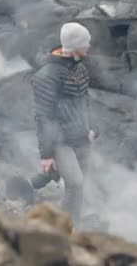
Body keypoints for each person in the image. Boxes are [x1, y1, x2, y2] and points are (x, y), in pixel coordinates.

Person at [30, 22, 99, 224]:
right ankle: (68, 228)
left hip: (82, 136)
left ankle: (69, 218)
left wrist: (93, 127)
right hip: (61, 140)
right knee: (76, 183)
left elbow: (86, 101)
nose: (89, 46)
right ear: (75, 46)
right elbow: (43, 116)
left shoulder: (80, 69)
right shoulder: (46, 76)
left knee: (78, 184)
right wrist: (47, 155)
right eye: (86, 43)